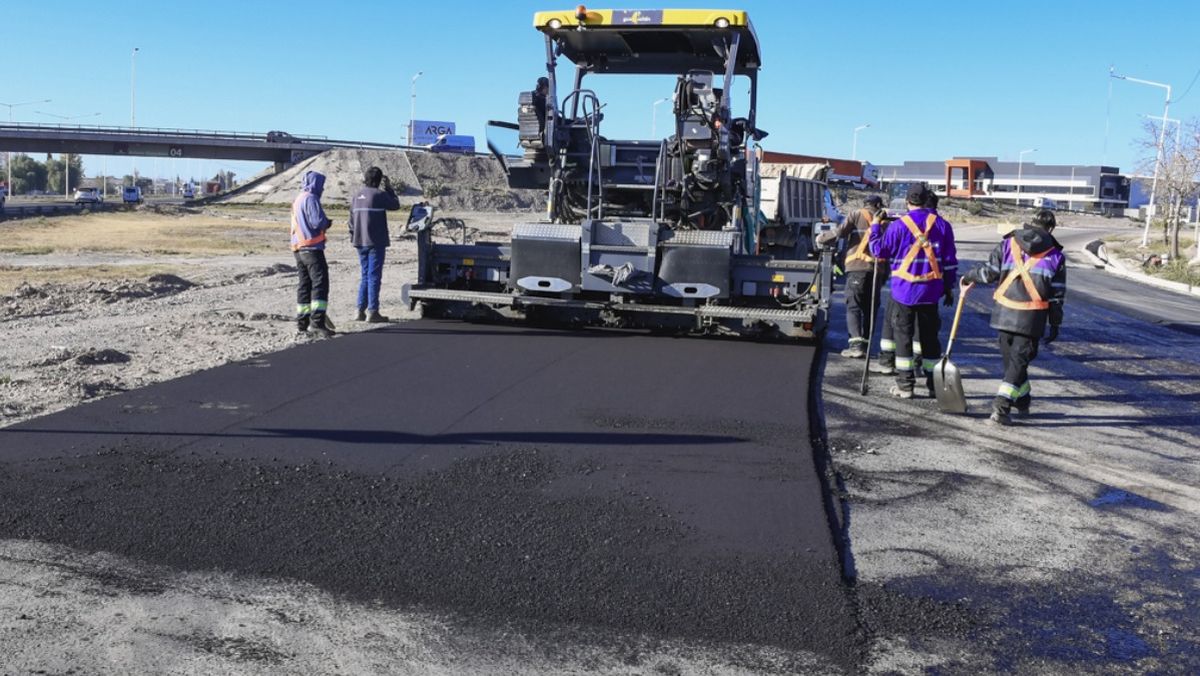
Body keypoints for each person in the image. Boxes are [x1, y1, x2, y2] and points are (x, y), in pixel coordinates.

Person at [962, 209, 1066, 425]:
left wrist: (968, 275)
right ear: (1051, 229)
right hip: (1031, 318)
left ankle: (1023, 398)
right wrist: (1055, 323)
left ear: (1030, 224)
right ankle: (1001, 407)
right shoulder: (1056, 255)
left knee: (1013, 363)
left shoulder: (1009, 243)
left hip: (1004, 313)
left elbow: (989, 272)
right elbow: (1057, 295)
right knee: (1017, 363)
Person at [869, 183, 958, 398]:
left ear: (908, 202)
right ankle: (934, 386)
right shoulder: (943, 226)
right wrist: (948, 288)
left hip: (903, 292)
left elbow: (878, 251)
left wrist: (874, 226)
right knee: (929, 339)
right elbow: (949, 262)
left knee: (903, 337)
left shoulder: (898, 226)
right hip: (930, 292)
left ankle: (905, 385)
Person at [819, 195, 887, 358]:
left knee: (853, 305)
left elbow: (840, 232)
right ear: (878, 205)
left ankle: (856, 346)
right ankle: (865, 343)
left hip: (857, 267)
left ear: (866, 204)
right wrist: (885, 275)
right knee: (870, 307)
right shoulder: (886, 222)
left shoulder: (856, 214)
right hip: (878, 270)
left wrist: (822, 238)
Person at [349, 166, 402, 322]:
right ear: (379, 180)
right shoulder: (379, 195)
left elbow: (351, 221)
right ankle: (373, 311)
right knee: (374, 276)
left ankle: (359, 310)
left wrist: (353, 237)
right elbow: (395, 205)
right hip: (375, 242)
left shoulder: (356, 195)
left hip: (359, 241)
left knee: (365, 275)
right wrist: (390, 189)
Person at [291, 170, 334, 337]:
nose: (322, 189)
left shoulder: (298, 198)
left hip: (298, 248)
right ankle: (317, 322)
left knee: (304, 284)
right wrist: (327, 223)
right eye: (321, 186)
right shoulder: (311, 199)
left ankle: (302, 322)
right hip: (312, 248)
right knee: (320, 284)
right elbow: (317, 222)